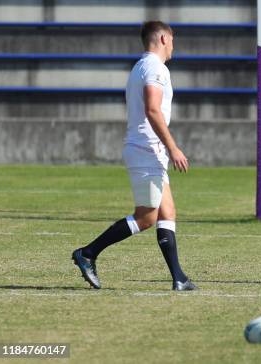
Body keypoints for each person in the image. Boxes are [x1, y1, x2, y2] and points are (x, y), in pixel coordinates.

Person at [72, 21, 195, 291]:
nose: (174, 46)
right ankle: (88, 253)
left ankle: (179, 278)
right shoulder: (155, 68)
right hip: (146, 149)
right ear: (163, 38)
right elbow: (153, 110)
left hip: (148, 150)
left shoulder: (142, 66)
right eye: (172, 40)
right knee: (146, 217)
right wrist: (173, 147)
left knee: (167, 212)